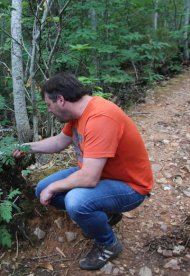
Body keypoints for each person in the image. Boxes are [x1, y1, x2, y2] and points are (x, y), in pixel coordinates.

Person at [12, 72, 153, 270]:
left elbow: (89, 177)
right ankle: (105, 215)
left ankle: (108, 244)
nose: (49, 110)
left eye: (49, 105)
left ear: (61, 100)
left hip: (130, 186)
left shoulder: (100, 117)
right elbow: (59, 142)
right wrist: (26, 147)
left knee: (76, 201)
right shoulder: (79, 113)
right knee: (42, 188)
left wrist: (54, 187)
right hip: (103, 176)